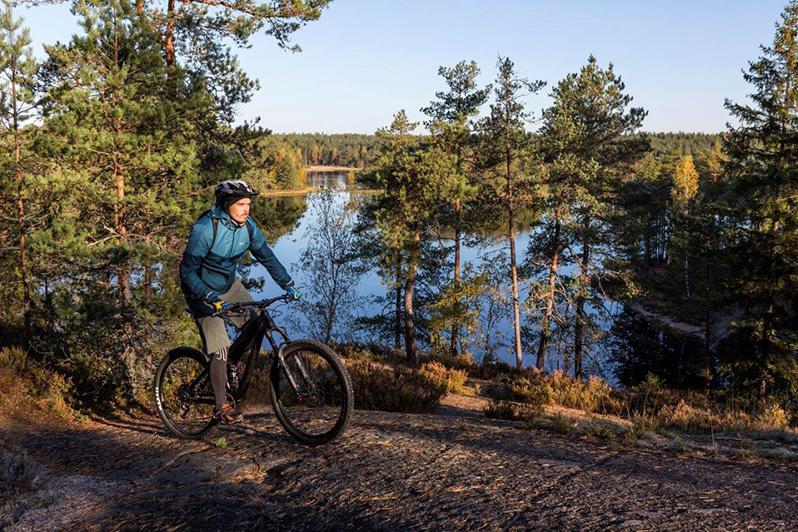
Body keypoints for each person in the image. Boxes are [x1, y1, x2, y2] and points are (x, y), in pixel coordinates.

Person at [179, 179, 300, 424]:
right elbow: (187, 272)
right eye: (241, 204)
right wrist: (207, 295)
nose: (247, 209)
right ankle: (221, 405)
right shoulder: (206, 228)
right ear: (226, 204)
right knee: (220, 347)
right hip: (201, 290)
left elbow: (266, 255)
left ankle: (230, 362)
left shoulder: (248, 227)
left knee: (256, 323)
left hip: (229, 286)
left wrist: (287, 283)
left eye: (248, 204)